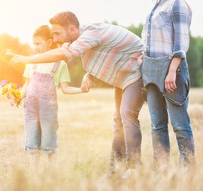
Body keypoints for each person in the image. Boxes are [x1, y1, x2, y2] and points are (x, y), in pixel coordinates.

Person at [9, 11, 144, 178]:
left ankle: (134, 168)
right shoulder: (78, 38)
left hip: (138, 71)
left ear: (72, 29)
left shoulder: (90, 33)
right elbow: (103, 53)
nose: (56, 38)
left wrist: (27, 59)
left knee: (126, 114)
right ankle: (114, 171)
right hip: (123, 77)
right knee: (118, 121)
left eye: (57, 33)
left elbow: (62, 55)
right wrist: (90, 74)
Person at [140, 0, 195, 169]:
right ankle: (161, 170)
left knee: (180, 126)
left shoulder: (178, 3)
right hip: (152, 71)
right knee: (157, 126)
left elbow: (180, 42)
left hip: (171, 71)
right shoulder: (155, 5)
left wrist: (172, 71)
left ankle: (188, 171)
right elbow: (149, 38)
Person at [20, 25, 83, 166]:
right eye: (33, 43)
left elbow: (65, 89)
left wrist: (82, 90)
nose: (35, 47)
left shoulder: (60, 64)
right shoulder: (31, 63)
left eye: (38, 43)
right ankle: (36, 177)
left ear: (49, 42)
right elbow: (27, 85)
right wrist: (18, 96)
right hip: (31, 110)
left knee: (49, 145)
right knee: (32, 144)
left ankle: (51, 177)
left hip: (48, 111)